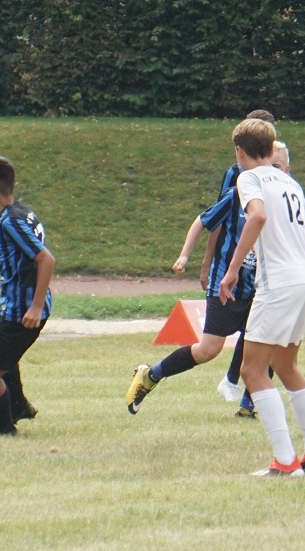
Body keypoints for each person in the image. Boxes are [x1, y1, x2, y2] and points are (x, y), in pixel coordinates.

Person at [125, 110, 276, 418]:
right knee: (209, 350)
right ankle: (150, 375)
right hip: (227, 280)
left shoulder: (280, 190)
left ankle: (249, 405)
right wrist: (190, 257)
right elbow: (205, 221)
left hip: (262, 283)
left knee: (265, 340)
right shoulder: (237, 189)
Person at [218, 118, 305, 476]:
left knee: (252, 369)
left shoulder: (248, 178)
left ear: (240, 151)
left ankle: (285, 461)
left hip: (279, 284)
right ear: (270, 149)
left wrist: (232, 270)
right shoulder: (290, 182)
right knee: (285, 365)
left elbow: (257, 217)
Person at [0, 156, 55, 435]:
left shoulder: (11, 221)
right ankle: (17, 404)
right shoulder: (18, 212)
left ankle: (4, 428)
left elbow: (46, 260)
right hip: (10, 305)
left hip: (23, 312)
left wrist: (36, 306)